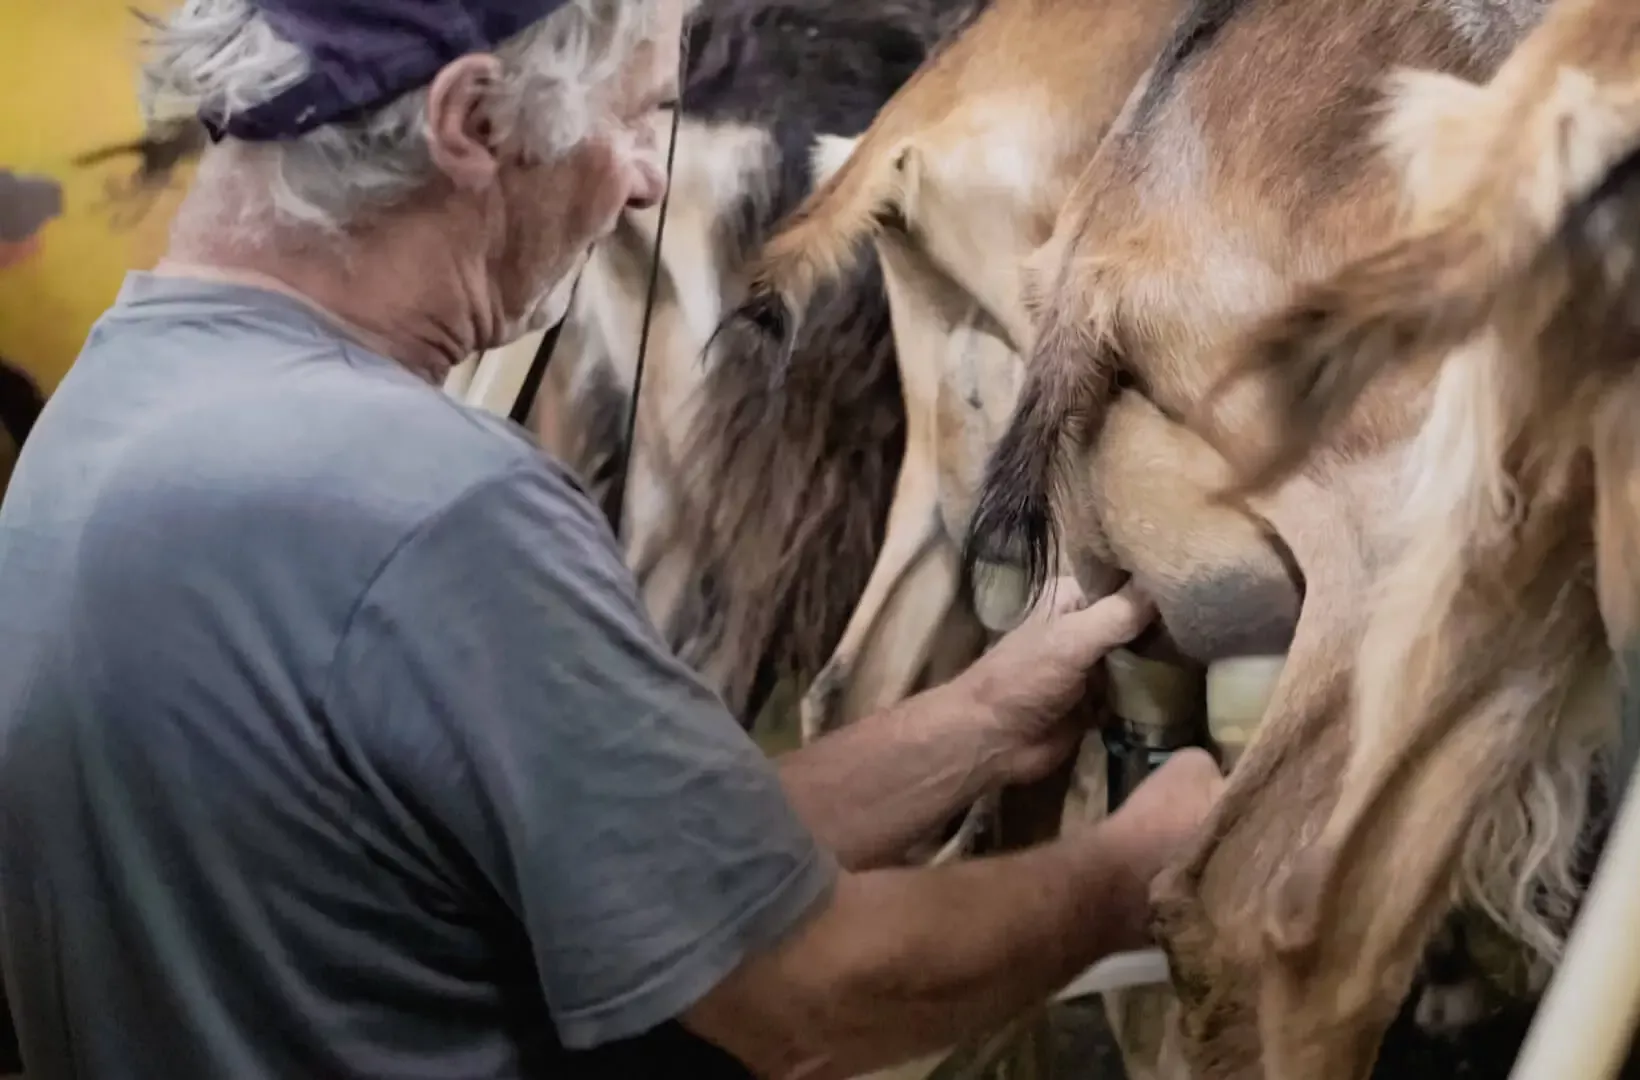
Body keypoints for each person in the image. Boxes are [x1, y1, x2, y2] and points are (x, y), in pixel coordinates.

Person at [0, 0, 1226, 1077]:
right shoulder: (435, 508)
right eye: (638, 114)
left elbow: (634, 857)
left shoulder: (106, 419)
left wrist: (976, 727)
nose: (644, 176)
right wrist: (1130, 871)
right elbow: (810, 999)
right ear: (470, 123)